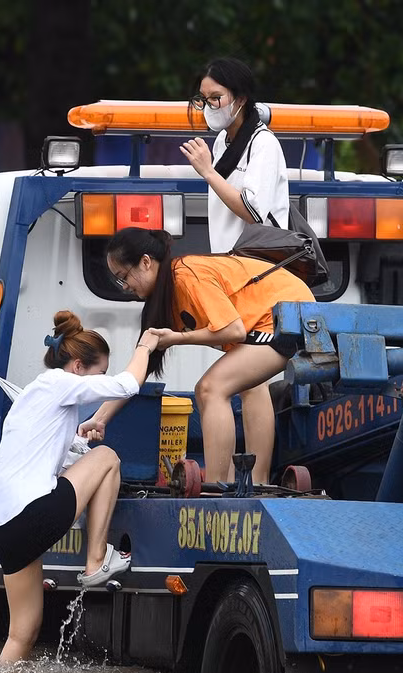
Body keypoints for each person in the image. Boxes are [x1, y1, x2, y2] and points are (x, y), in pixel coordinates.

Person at [0, 310, 160, 663]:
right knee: (109, 457)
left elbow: (55, 458)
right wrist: (145, 346)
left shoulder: (35, 395)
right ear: (78, 367)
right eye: (99, 373)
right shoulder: (61, 383)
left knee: (22, 632)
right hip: (30, 513)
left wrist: (85, 431)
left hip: (1, 527)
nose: (100, 381)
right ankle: (96, 561)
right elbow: (128, 385)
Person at [91, 227, 312, 486]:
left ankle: (217, 486)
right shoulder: (161, 300)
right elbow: (136, 373)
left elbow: (233, 329)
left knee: (210, 388)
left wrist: (177, 338)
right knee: (249, 385)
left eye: (123, 277)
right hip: (280, 316)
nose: (124, 286)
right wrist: (100, 418)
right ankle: (255, 483)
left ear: (146, 262)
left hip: (289, 313)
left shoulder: (185, 275)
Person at [181, 56, 288, 254]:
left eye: (215, 98)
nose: (208, 106)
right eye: (203, 99)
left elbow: (253, 213)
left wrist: (208, 172)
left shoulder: (263, 143)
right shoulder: (222, 140)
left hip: (258, 265)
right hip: (227, 261)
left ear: (241, 99)